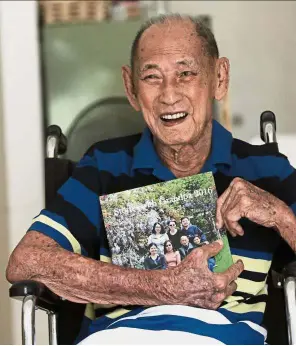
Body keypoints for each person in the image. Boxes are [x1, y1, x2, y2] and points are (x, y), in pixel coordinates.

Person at [6, 14, 296, 345]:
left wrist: (281, 215)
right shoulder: (104, 166)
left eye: (186, 73)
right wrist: (163, 286)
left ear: (219, 77)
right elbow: (26, 262)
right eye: (152, 77)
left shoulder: (266, 170)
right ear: (131, 88)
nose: (169, 96)